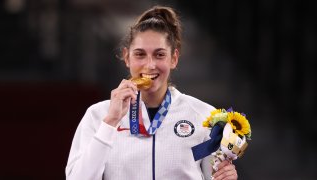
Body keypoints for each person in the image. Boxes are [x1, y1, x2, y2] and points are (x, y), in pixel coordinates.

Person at [65, 5, 238, 180]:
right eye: (140, 54)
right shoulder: (98, 115)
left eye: (159, 55)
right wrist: (110, 122)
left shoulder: (205, 116)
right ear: (127, 57)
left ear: (174, 58)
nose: (149, 65)